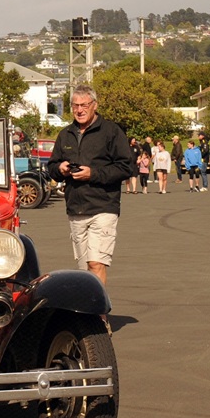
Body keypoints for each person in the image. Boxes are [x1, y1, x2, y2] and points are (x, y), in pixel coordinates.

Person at [45, 85, 133, 285]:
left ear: (95, 105)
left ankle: (98, 315)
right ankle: (88, 313)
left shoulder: (111, 131)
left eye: (84, 105)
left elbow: (126, 167)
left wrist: (92, 174)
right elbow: (51, 168)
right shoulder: (65, 134)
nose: (79, 110)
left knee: (96, 263)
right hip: (76, 208)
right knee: (84, 269)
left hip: (103, 207)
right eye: (75, 105)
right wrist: (61, 169)